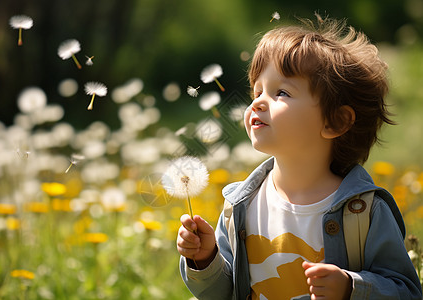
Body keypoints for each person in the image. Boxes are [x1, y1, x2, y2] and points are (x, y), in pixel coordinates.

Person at [176, 15, 423, 300]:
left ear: (335, 122)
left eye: (281, 92)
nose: (257, 102)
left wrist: (350, 288)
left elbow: (407, 292)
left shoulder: (365, 213)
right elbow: (222, 293)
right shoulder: (240, 205)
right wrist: (205, 260)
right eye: (257, 91)